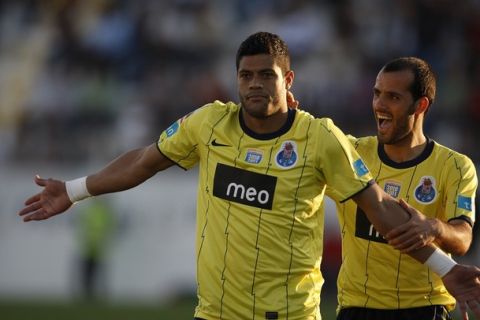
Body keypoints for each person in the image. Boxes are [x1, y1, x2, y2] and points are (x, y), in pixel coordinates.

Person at [17, 32, 480, 320]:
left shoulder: (320, 139)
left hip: (291, 315)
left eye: (266, 75)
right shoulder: (208, 124)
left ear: (288, 80)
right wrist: (75, 190)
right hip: (215, 314)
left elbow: (379, 209)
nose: (255, 84)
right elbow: (144, 161)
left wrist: (447, 269)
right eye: (246, 76)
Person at [325, 57, 478, 320]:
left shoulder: (455, 166)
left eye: (393, 97)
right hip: (357, 308)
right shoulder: (353, 153)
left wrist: (434, 227)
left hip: (423, 308)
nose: (379, 105)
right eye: (377, 94)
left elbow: (463, 238)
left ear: (421, 105)